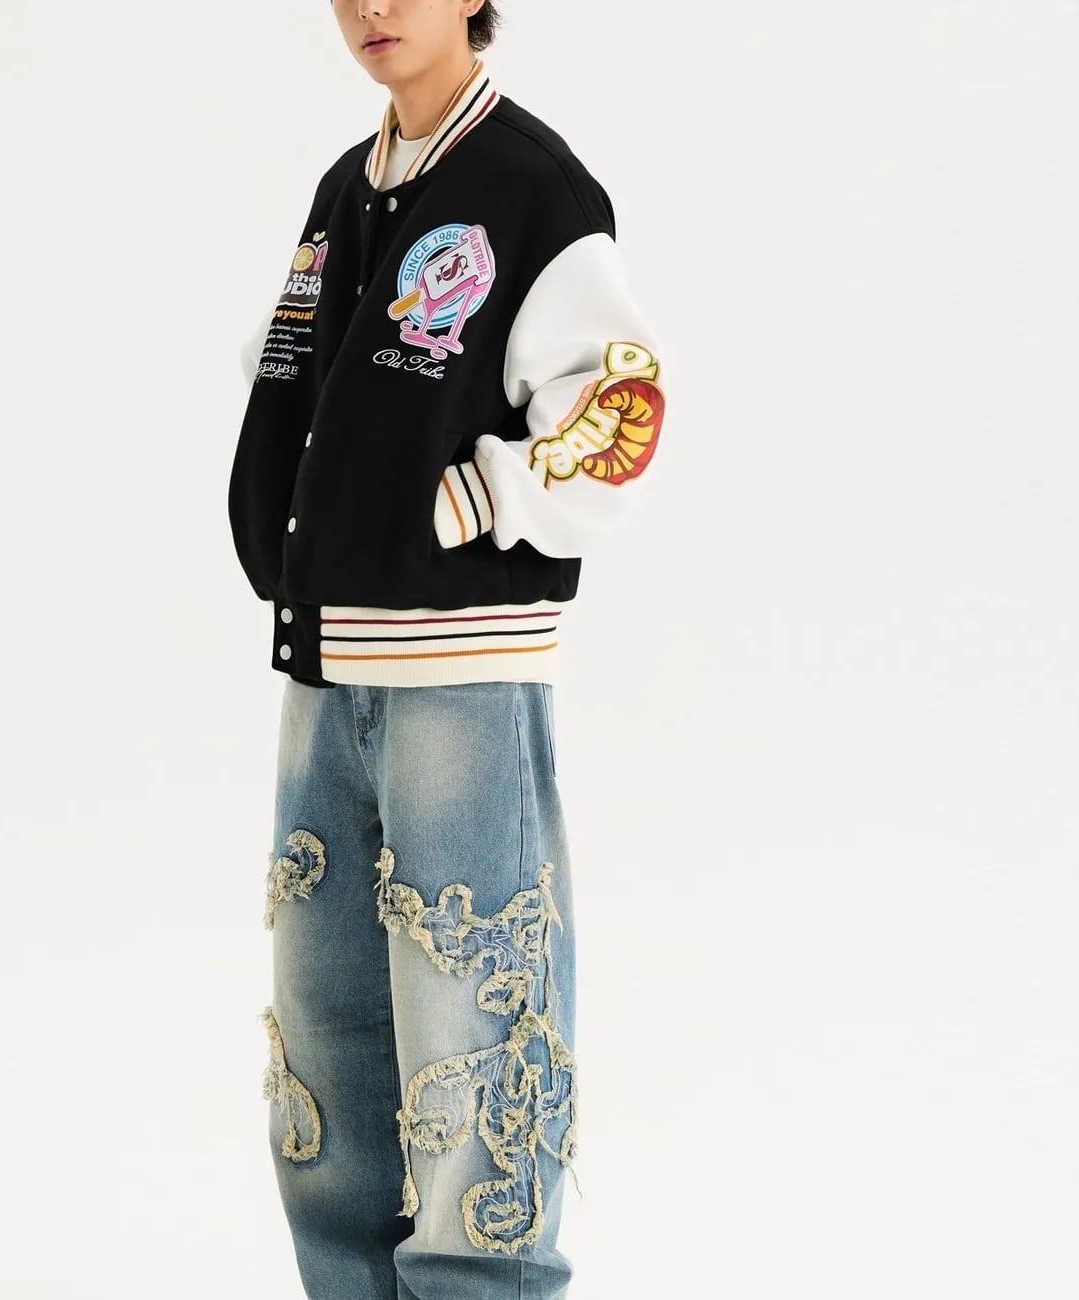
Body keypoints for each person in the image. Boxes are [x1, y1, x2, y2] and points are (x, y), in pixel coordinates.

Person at [228, 3, 667, 1296]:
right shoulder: (346, 188)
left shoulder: (531, 185)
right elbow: (300, 371)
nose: (372, 7)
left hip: (460, 678)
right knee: (326, 1052)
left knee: (477, 1039)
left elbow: (624, 404)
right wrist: (289, 511)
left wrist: (475, 501)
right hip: (324, 670)